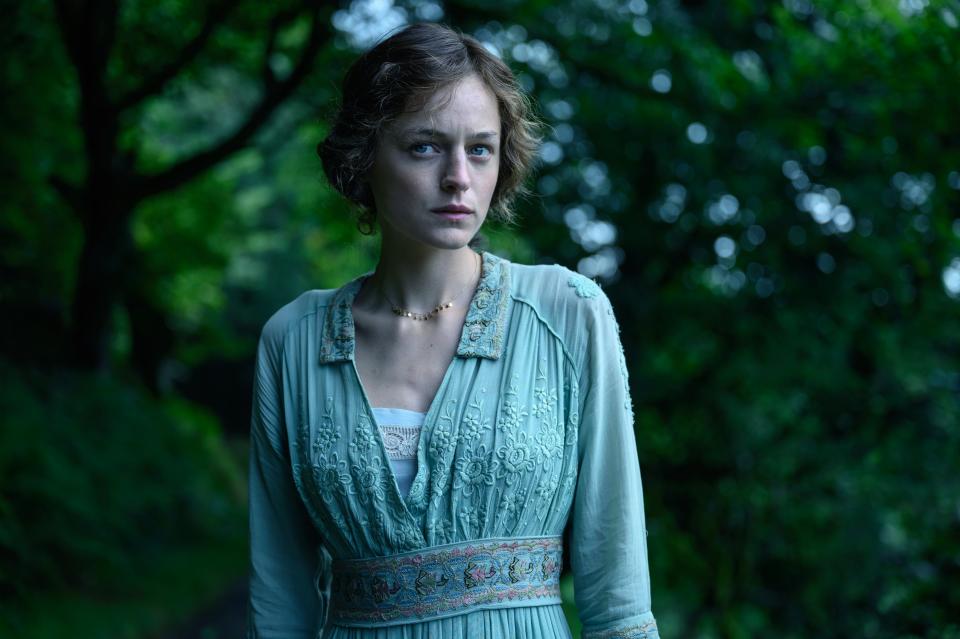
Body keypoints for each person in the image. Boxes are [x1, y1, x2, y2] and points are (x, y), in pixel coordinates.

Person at [246, 22, 659, 639]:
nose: (458, 178)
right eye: (424, 146)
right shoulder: (293, 341)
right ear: (365, 154)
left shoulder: (569, 311)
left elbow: (618, 599)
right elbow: (279, 602)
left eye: (481, 149)